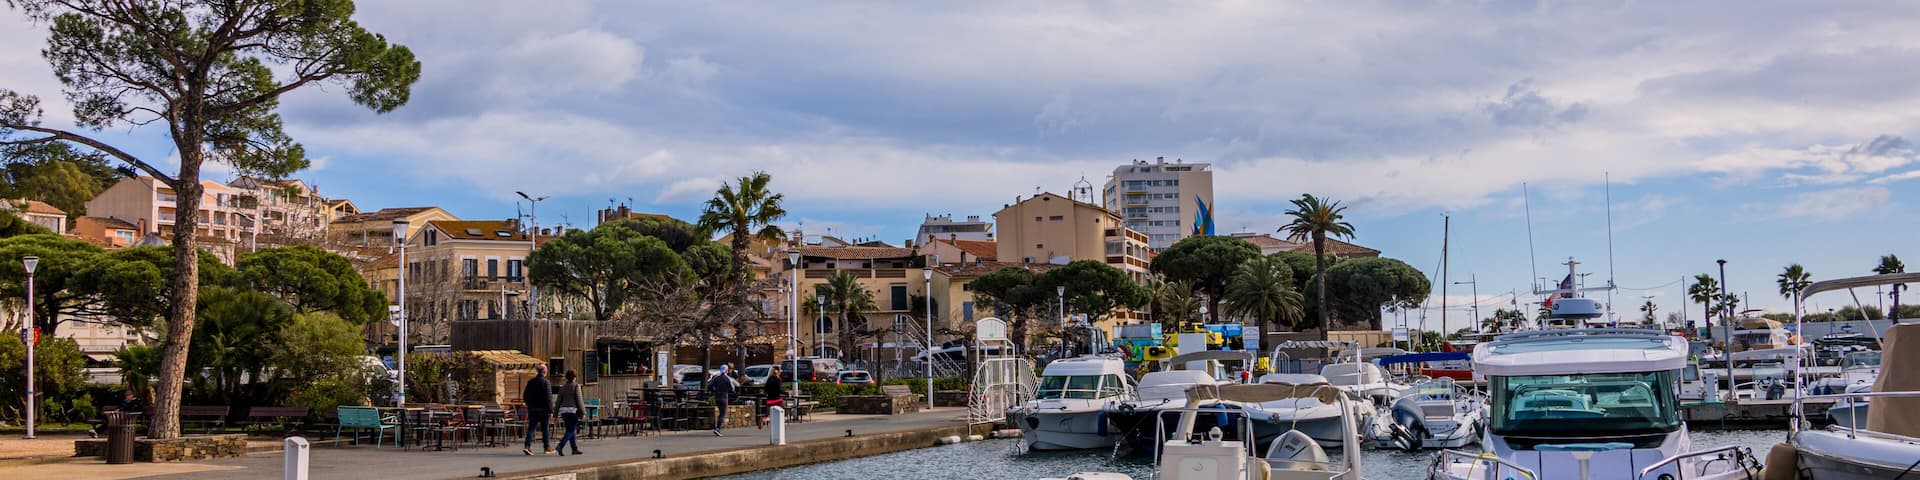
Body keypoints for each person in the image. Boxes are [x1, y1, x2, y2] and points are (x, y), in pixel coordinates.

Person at [522, 364, 554, 455]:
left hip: (532, 409)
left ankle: (527, 446)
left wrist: (529, 405)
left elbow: (525, 396)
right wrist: (551, 410)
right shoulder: (546, 382)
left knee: (531, 428)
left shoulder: (531, 382)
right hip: (543, 409)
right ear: (544, 372)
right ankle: (547, 447)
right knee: (545, 429)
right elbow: (549, 398)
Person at [554, 370, 586, 456]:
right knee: (572, 430)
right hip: (572, 411)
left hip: (564, 411)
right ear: (575, 377)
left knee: (570, 430)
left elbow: (558, 402)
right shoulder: (576, 386)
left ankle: (574, 449)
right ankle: (560, 446)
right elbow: (579, 400)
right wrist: (583, 412)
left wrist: (555, 414)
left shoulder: (562, 387)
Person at [706, 364, 738, 436]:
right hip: (724, 397)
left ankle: (717, 428)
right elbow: (731, 389)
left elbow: (709, 386)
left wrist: (714, 390)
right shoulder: (727, 379)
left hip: (717, 397)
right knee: (722, 414)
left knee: (720, 413)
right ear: (726, 370)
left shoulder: (716, 378)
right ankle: (717, 429)